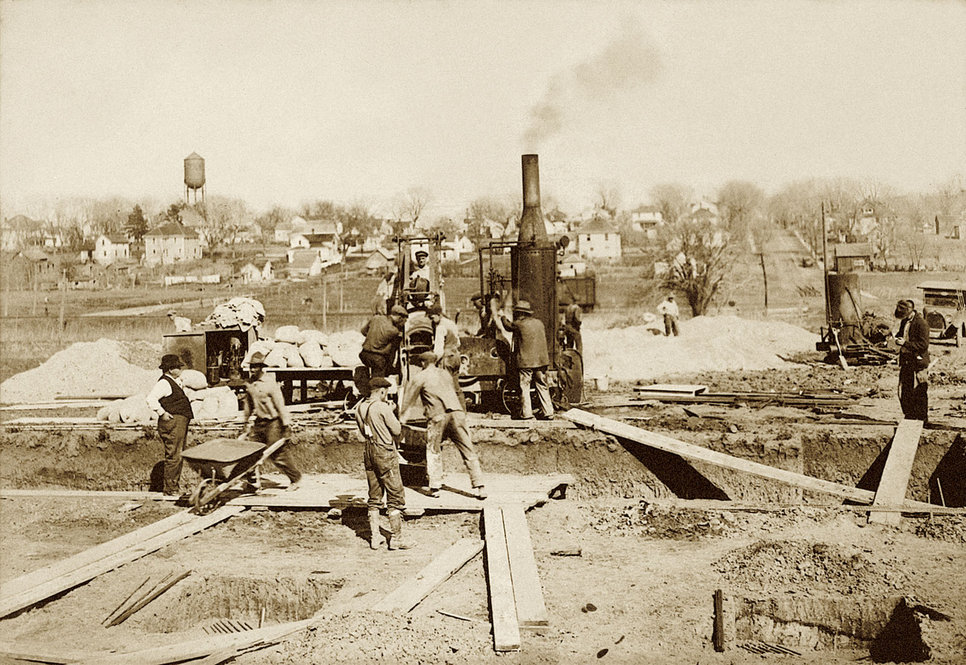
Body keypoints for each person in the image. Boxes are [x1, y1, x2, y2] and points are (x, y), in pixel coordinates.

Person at [400, 351, 486, 499]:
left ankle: (435, 487)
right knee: (468, 449)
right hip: (457, 414)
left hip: (437, 416)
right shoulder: (445, 374)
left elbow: (408, 401)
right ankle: (480, 486)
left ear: (422, 363)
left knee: (433, 450)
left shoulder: (420, 377)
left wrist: (401, 420)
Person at [355, 377, 410, 550]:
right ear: (382, 391)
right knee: (395, 495)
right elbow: (397, 430)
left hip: (369, 452)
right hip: (384, 452)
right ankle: (397, 538)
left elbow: (363, 433)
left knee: (374, 495)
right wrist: (391, 411)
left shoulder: (360, 407)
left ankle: (375, 537)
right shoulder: (382, 407)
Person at [241, 352, 302, 491]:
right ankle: (253, 483)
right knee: (250, 453)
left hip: (273, 423)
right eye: (251, 367)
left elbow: (280, 404)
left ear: (262, 368)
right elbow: (248, 405)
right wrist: (245, 424)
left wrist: (286, 425)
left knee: (277, 454)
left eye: (255, 367)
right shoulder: (250, 384)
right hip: (258, 423)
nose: (252, 370)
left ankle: (295, 479)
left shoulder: (270, 384)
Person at [145, 354, 193, 496]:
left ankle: (173, 487)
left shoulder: (174, 381)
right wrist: (162, 413)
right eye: (178, 367)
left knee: (178, 454)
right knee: (174, 455)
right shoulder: (164, 383)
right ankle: (170, 489)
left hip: (178, 422)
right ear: (171, 369)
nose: (180, 369)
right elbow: (151, 398)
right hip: (172, 423)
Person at [498, 300, 553, 421]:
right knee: (542, 386)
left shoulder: (519, 324)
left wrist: (501, 316)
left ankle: (527, 414)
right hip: (541, 361)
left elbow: (508, 326)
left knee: (525, 386)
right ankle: (548, 412)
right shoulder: (539, 323)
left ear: (520, 313)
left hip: (526, 362)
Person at [894, 299, 930, 421]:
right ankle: (909, 416)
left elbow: (924, 345)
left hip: (918, 363)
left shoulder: (921, 323)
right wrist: (896, 338)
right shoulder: (904, 321)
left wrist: (906, 343)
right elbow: (901, 334)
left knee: (920, 391)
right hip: (907, 361)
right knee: (905, 391)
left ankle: (922, 419)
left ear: (910, 310)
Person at [427, 303, 464, 406]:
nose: (431, 319)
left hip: (447, 359)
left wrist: (431, 361)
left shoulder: (440, 327)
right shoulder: (451, 323)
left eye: (432, 317)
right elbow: (458, 342)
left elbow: (439, 350)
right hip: (456, 356)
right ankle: (462, 412)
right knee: (456, 386)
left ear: (439, 314)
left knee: (446, 386)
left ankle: (450, 412)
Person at [360, 305, 408, 379]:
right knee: (378, 382)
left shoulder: (376, 318)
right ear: (400, 318)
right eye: (404, 321)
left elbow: (363, 331)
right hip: (378, 359)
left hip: (364, 355)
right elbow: (392, 350)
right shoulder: (394, 331)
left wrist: (374, 337)